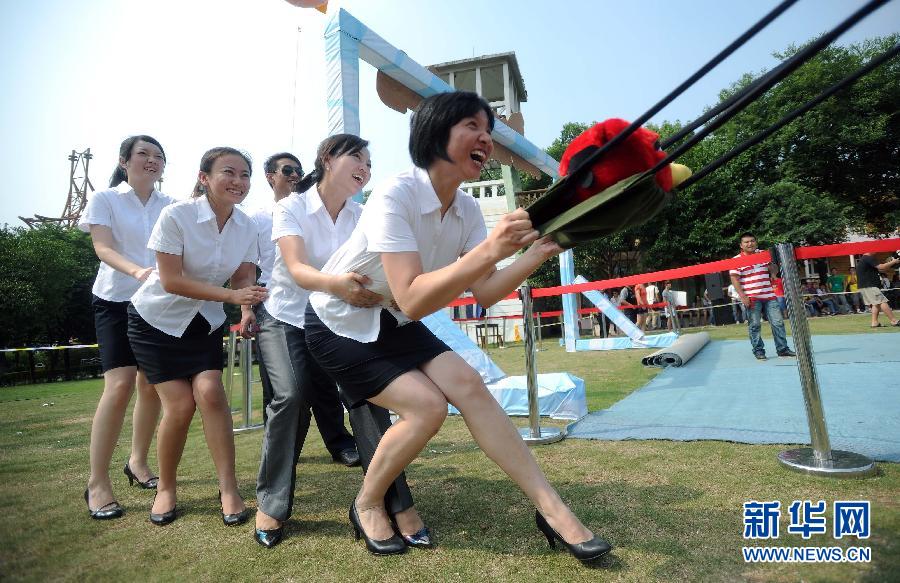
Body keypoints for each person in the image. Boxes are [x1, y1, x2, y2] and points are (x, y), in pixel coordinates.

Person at [304, 92, 610, 560]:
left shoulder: (466, 209)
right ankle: (366, 503)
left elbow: (485, 292)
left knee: (468, 383)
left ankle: (553, 510)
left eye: (488, 129)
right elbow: (413, 294)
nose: (485, 138)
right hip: (339, 323)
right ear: (434, 134)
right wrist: (492, 248)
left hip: (394, 317)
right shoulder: (397, 191)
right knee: (425, 408)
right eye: (471, 125)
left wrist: (539, 251)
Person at [253, 135, 428, 549]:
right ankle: (273, 504)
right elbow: (296, 269)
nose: (365, 168)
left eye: (370, 163)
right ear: (328, 159)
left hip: (343, 320)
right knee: (292, 397)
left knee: (369, 398)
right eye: (357, 158)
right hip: (289, 317)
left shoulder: (365, 214)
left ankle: (394, 501)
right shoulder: (291, 207)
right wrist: (338, 285)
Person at [127, 147, 266, 526]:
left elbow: (242, 275)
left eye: (244, 175)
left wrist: (248, 307)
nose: (238, 181)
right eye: (228, 173)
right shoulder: (177, 216)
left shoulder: (247, 225)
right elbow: (171, 281)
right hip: (155, 320)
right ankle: (166, 488)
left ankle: (229, 488)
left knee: (210, 393)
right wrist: (231, 297)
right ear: (204, 178)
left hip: (202, 322)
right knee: (180, 405)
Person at [79, 135, 173, 519]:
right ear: (124, 161)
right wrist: (136, 270)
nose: (152, 161)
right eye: (143, 154)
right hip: (116, 300)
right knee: (118, 387)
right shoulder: (106, 199)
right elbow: (102, 247)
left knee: (150, 385)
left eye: (158, 156)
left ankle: (137, 462)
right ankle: (97, 483)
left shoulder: (172, 203)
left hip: (156, 304)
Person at [251, 152, 359, 467]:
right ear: (270, 176)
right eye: (287, 170)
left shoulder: (320, 213)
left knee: (325, 381)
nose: (295, 174)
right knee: (284, 391)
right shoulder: (260, 217)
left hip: (320, 307)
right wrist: (247, 309)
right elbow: (247, 265)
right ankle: (282, 450)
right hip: (278, 307)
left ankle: (340, 442)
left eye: (299, 170)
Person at [728, 233, 795, 360]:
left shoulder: (763, 254)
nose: (750, 244)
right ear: (741, 245)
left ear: (756, 242)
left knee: (778, 322)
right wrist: (742, 296)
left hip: (769, 295)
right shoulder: (736, 259)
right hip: (751, 296)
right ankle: (758, 351)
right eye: (746, 242)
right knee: (754, 325)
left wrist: (772, 267)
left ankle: (783, 350)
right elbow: (734, 279)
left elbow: (774, 271)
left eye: (752, 241)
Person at [855, 252, 900, 328]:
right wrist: (894, 261)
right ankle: (894, 321)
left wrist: (890, 263)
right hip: (869, 285)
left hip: (866, 286)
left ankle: (874, 322)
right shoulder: (868, 258)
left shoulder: (864, 259)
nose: (877, 252)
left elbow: (882, 269)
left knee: (876, 304)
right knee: (882, 301)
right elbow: (881, 267)